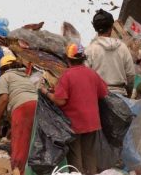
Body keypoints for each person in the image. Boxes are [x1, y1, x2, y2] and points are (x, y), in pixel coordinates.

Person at [41, 43, 108, 175]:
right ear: (83, 58)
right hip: (92, 122)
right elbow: (103, 93)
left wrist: (46, 93)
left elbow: (60, 101)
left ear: (68, 59)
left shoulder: (67, 75)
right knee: (89, 155)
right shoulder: (92, 73)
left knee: (75, 157)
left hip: (74, 124)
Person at [0, 55, 39, 175]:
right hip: (38, 107)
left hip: (23, 108)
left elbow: (3, 99)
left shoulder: (5, 76)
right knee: (32, 142)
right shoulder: (25, 77)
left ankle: (19, 171)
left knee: (20, 144)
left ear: (3, 68)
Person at [85, 9, 135, 96]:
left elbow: (85, 76)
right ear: (111, 28)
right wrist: (129, 93)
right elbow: (131, 75)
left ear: (95, 29)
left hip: (99, 96)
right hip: (120, 95)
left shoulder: (90, 50)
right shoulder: (122, 47)